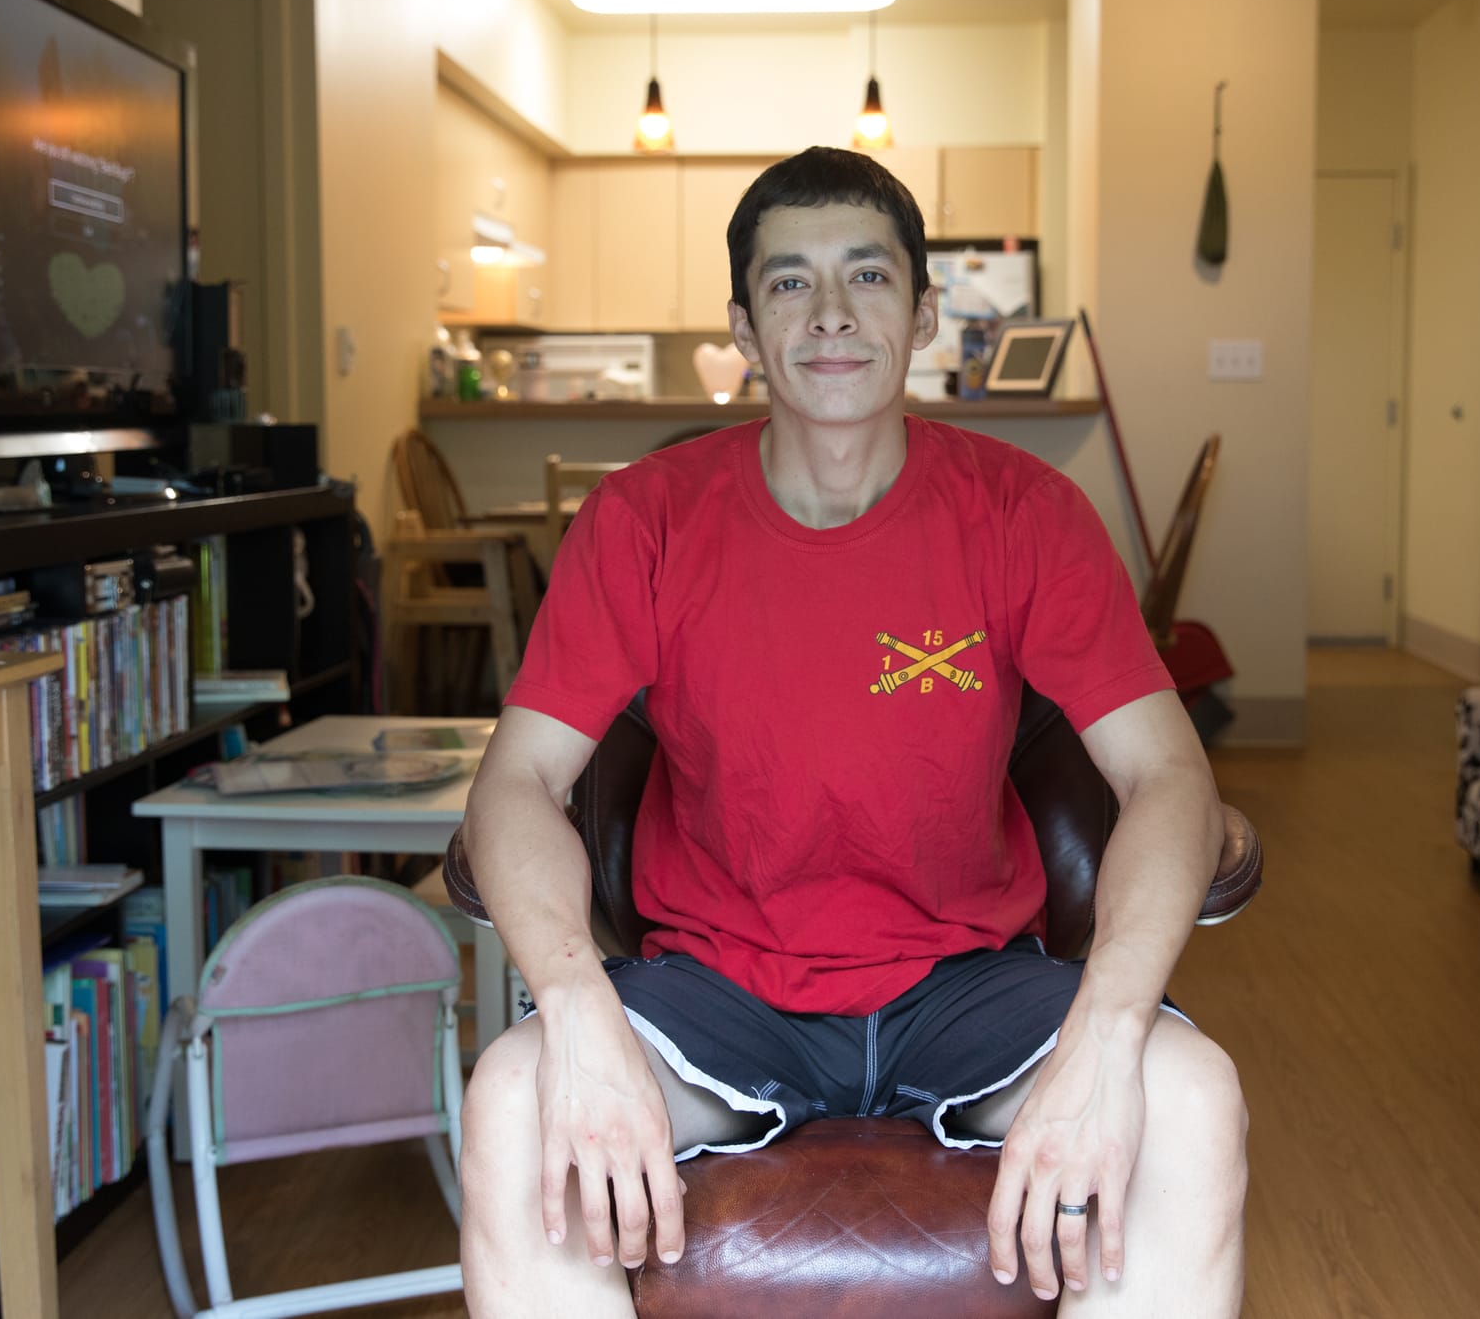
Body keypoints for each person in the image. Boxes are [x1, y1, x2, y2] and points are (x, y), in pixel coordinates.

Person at [459, 146, 1248, 1316]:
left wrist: (1111, 1024)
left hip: (967, 981)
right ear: (740, 324)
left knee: (1189, 1097)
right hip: (717, 981)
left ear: (923, 312)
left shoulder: (1025, 514)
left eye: (867, 277)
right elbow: (515, 780)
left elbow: (1168, 777)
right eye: (787, 283)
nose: (829, 314)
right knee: (513, 1101)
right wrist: (573, 1008)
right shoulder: (643, 520)